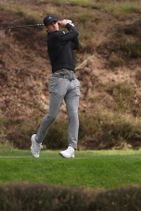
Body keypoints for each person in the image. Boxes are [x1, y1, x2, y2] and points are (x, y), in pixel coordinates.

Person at [30, 15, 81, 159]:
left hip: (72, 79)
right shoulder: (53, 38)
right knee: (52, 115)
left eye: (55, 23)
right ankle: (37, 140)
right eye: (50, 24)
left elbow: (76, 44)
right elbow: (74, 33)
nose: (54, 26)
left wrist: (70, 27)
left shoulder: (63, 37)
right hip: (59, 79)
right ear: (47, 28)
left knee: (73, 114)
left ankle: (72, 147)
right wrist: (70, 24)